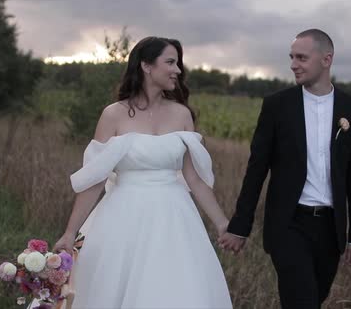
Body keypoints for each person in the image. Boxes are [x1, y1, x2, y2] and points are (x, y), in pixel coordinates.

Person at [52, 36, 233, 308]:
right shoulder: (113, 115)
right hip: (123, 216)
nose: (178, 70)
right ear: (146, 66)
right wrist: (69, 233)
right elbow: (94, 179)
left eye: (178, 63)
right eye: (170, 62)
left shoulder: (182, 114)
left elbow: (193, 178)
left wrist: (222, 224)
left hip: (174, 218)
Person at [218, 29, 351, 308]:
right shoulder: (277, 105)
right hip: (288, 224)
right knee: (301, 301)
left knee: (313, 298)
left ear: (326, 59)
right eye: (291, 57)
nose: (293, 64)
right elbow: (256, 169)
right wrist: (240, 226)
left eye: (301, 57)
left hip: (330, 229)